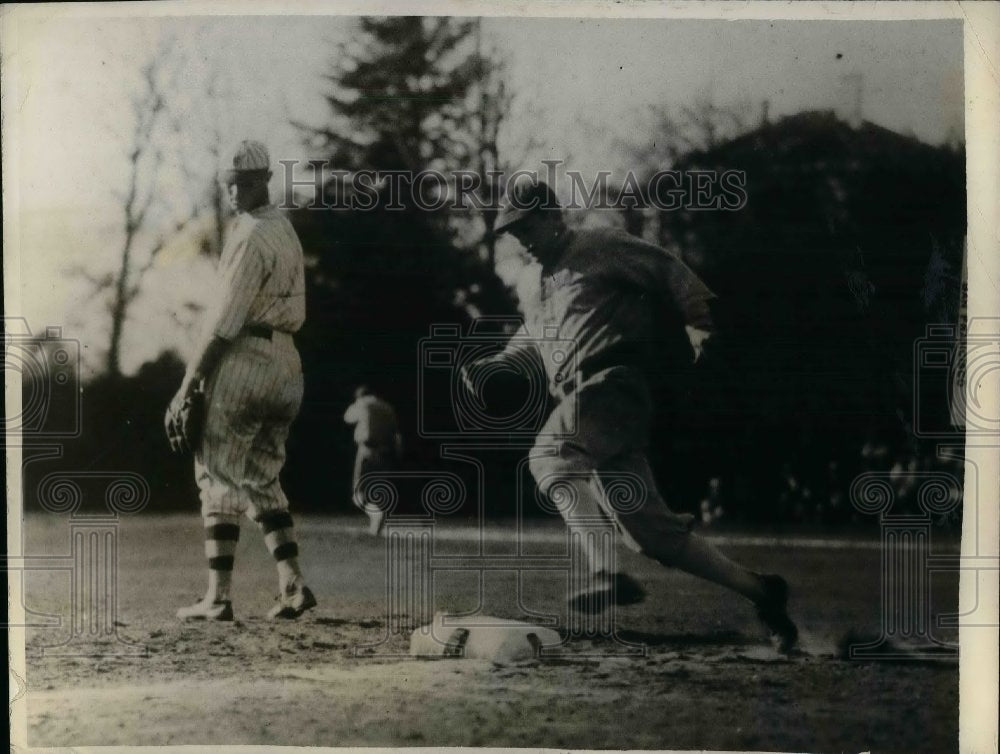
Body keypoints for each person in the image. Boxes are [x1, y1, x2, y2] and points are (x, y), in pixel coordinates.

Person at [464, 175, 798, 652]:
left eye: (525, 227)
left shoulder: (600, 244)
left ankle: (607, 573)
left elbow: (668, 268)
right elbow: (535, 338)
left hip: (616, 383)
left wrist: (699, 323)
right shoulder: (531, 282)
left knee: (550, 457)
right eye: (512, 233)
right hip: (584, 404)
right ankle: (762, 591)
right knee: (652, 535)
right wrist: (498, 363)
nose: (520, 239)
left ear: (553, 216)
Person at [166, 140, 316, 621]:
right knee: (262, 476)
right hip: (287, 363)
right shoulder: (285, 230)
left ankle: (218, 597)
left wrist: (189, 382)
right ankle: (293, 586)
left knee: (216, 472)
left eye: (238, 184)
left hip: (246, 356)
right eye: (229, 184)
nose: (231, 193)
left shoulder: (249, 233)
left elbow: (224, 321)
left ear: (259, 182)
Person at [344, 386, 403, 536]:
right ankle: (376, 528)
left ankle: (375, 514)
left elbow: (348, 417)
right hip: (385, 454)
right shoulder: (388, 408)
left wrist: (356, 404)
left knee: (359, 494)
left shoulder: (363, 404)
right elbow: (397, 436)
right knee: (378, 491)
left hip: (367, 452)